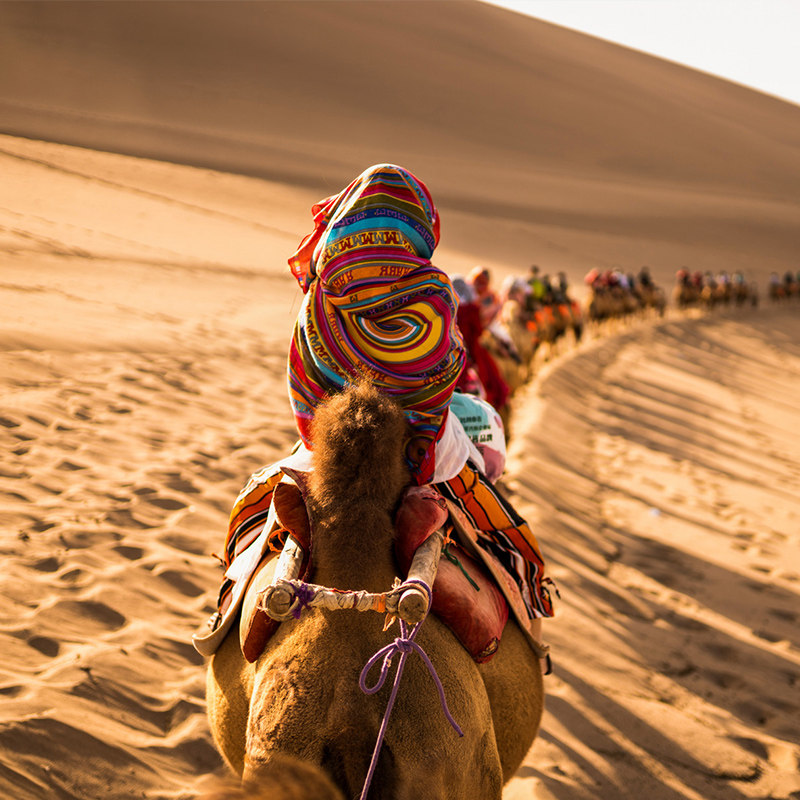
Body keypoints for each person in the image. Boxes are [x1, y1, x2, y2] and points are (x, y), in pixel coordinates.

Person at [198, 164, 553, 669]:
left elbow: (302, 381)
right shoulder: (434, 293)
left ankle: (227, 602)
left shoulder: (318, 297)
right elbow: (448, 368)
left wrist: (332, 418)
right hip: (417, 453)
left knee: (250, 514)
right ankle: (525, 590)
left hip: (329, 443)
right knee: (495, 521)